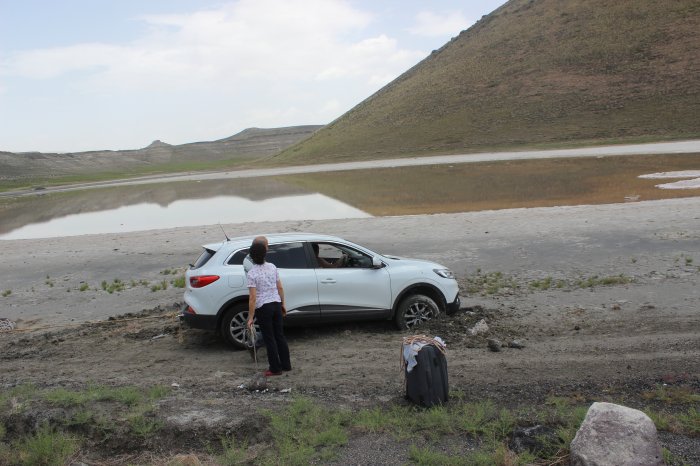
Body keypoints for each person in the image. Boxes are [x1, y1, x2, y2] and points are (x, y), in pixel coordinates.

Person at [246, 241, 291, 376]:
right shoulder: (272, 267)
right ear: (265, 254)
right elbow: (280, 287)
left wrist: (250, 317)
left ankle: (275, 368)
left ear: (252, 257)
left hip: (263, 307)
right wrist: (283, 303)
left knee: (269, 338)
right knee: (280, 336)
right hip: (276, 304)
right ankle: (286, 365)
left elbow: (253, 298)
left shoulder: (252, 273)